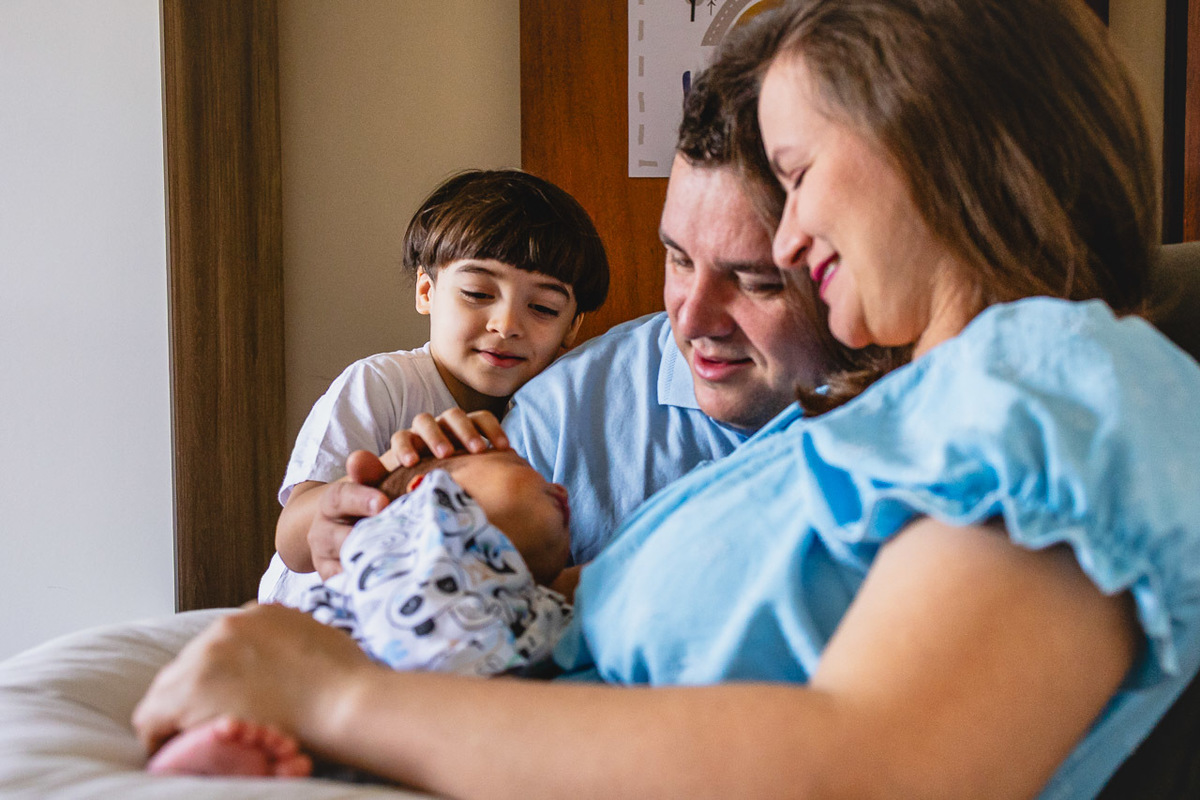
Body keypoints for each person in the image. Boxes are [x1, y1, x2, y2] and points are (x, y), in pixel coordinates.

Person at [134, 2, 1200, 798]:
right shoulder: (888, 414)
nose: (788, 238)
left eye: (800, 167)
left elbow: (877, 763)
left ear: (940, 141)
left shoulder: (1064, 383)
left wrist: (336, 696)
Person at [299, 39, 886, 595]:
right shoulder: (551, 419)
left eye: (755, 281)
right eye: (678, 260)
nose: (694, 318)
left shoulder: (911, 413)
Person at [260, 168, 609, 605]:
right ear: (426, 290)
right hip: (321, 621)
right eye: (478, 294)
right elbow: (292, 541)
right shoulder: (383, 385)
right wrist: (385, 477)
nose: (505, 326)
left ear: (572, 327)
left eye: (542, 307)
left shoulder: (557, 411)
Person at [147, 448, 574, 778]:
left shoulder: (530, 599)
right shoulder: (425, 519)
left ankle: (261, 755)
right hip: (328, 672)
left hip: (396, 724)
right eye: (523, 467)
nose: (562, 488)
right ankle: (222, 739)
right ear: (423, 486)